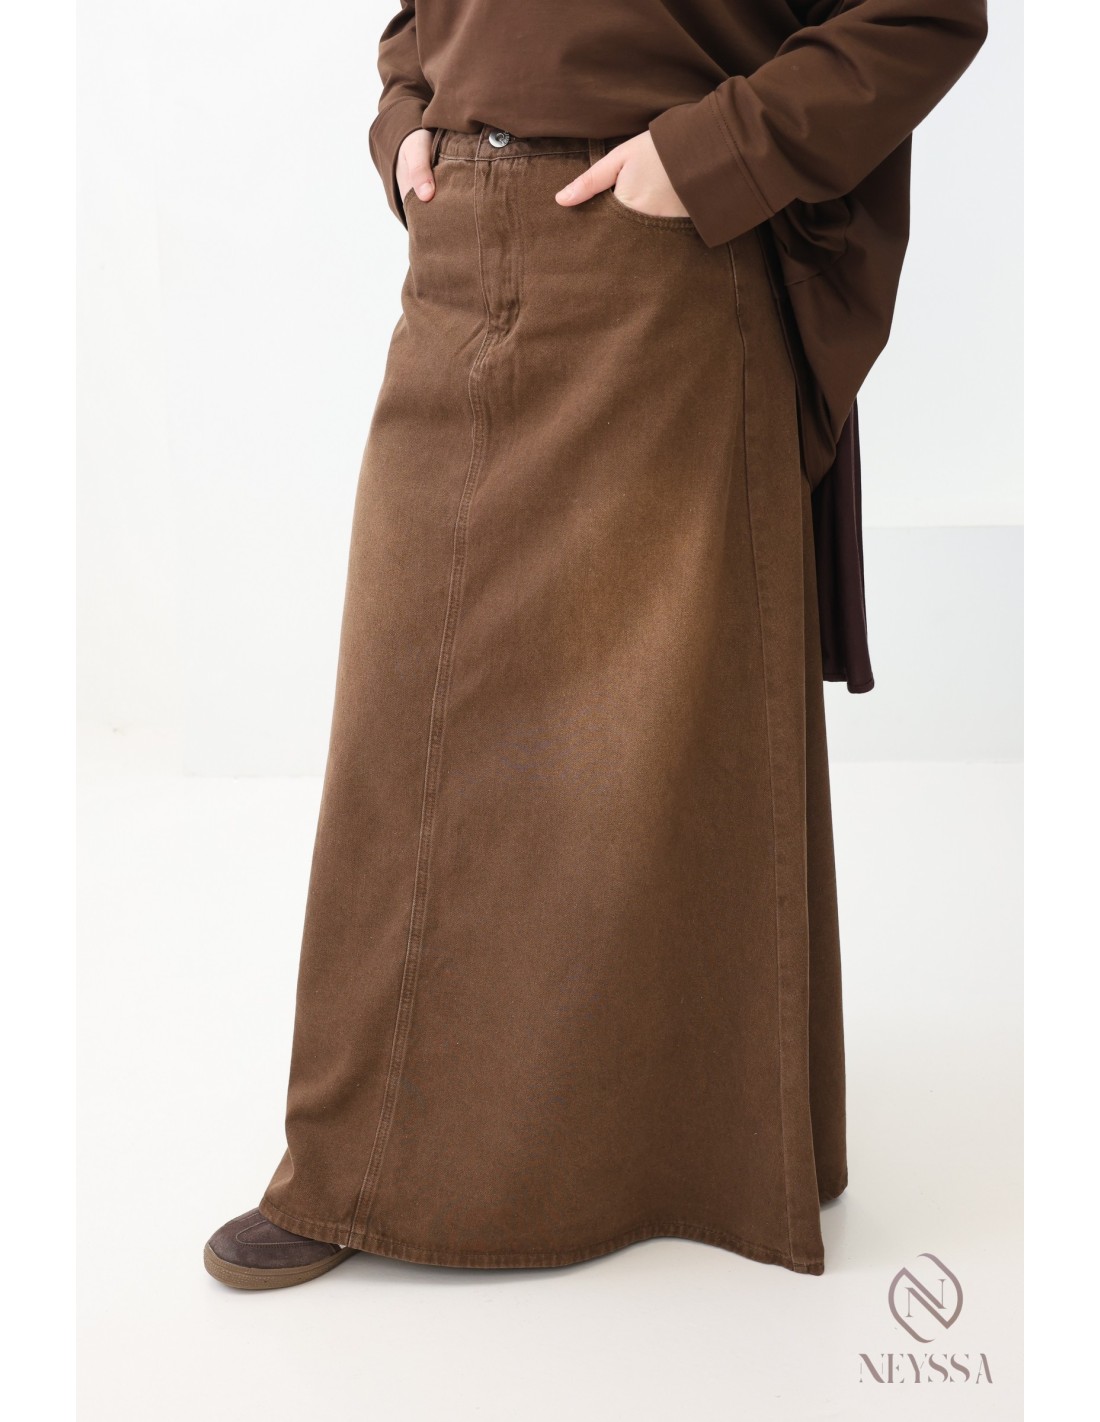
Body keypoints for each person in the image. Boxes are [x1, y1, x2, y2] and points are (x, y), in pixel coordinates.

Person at [204, 0, 988, 1291]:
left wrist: (711, 153)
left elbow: (924, 14)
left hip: (662, 261)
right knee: (400, 720)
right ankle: (360, 1157)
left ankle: (673, 1157)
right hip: (460, 245)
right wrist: (405, 127)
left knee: (653, 739)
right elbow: (418, 21)